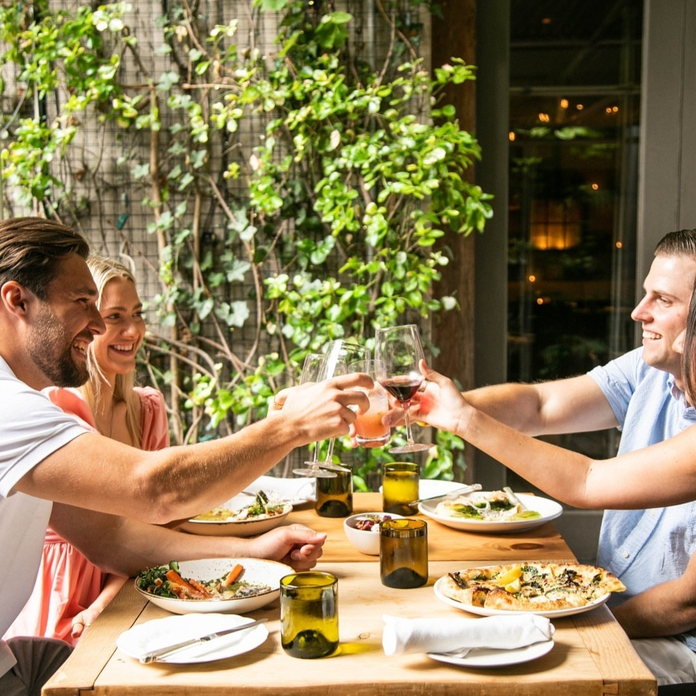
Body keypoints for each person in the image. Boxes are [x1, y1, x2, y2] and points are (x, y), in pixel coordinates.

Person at [0, 217, 371, 695]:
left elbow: (110, 537)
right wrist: (290, 426)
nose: (95, 325)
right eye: (81, 302)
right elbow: (156, 489)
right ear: (17, 300)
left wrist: (252, 552)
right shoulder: (9, 408)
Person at [410, 229, 696, 686]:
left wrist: (577, 623)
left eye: (663, 300)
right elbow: (538, 406)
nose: (638, 312)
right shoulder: (650, 369)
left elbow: (685, 603)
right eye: (646, 294)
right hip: (612, 611)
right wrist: (426, 407)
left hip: (673, 645)